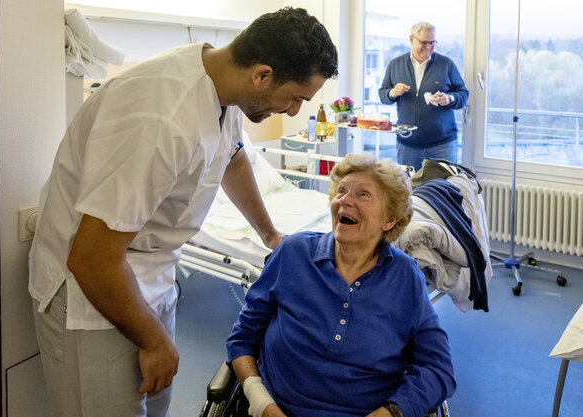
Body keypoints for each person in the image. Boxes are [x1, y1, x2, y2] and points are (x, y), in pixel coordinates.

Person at [28, 7, 338, 417]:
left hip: (149, 275)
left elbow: (233, 156)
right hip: (93, 294)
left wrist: (269, 234)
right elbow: (91, 259)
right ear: (261, 74)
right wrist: (154, 341)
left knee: (153, 404)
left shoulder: (218, 84)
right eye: (296, 97)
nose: (295, 111)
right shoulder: (159, 118)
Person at [227, 153, 455, 417]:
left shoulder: (405, 277)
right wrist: (260, 402)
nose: (345, 200)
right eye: (341, 191)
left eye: (363, 195)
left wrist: (391, 412)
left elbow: (438, 368)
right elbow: (242, 337)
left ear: (389, 220)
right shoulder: (293, 253)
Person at [378, 22, 468, 171]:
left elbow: (463, 94)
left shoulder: (446, 64)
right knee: (409, 190)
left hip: (443, 145)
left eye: (432, 43)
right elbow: (383, 95)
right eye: (424, 42)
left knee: (443, 190)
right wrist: (391, 93)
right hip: (407, 145)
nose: (428, 47)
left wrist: (450, 99)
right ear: (411, 39)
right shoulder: (395, 65)